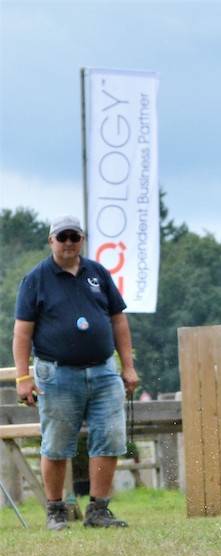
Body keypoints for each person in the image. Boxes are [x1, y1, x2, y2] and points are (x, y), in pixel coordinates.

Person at [12, 215, 138, 529]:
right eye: (62, 237)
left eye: (74, 237)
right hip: (57, 374)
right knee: (56, 444)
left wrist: (128, 366)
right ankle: (56, 511)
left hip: (104, 372)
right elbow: (22, 333)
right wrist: (23, 377)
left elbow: (118, 321)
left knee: (109, 438)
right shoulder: (36, 279)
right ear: (51, 240)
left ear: (82, 240)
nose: (68, 242)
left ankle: (98, 510)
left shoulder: (98, 273)